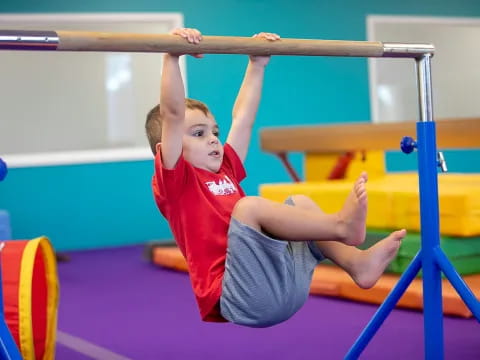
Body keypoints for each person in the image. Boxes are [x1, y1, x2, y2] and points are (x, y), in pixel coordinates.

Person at [146, 27, 407, 327]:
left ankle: (356, 263)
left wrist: (256, 65)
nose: (214, 140)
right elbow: (173, 113)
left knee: (301, 203)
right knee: (249, 207)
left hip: (281, 284)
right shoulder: (177, 183)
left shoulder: (226, 170)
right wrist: (171, 56)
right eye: (199, 134)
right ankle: (340, 225)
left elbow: (243, 119)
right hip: (241, 296)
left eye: (214, 132)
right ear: (166, 148)